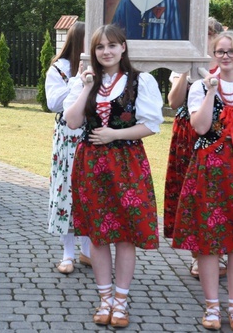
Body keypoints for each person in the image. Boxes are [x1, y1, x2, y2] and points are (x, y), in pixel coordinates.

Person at [171, 30, 233, 332]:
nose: (226, 56)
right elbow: (201, 128)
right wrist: (211, 91)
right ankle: (212, 307)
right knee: (208, 243)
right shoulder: (199, 88)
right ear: (213, 55)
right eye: (220, 51)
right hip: (208, 171)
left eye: (232, 51)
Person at [63, 24, 163, 328]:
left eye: (112, 45)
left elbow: (151, 125)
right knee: (98, 234)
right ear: (93, 52)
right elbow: (72, 121)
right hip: (91, 166)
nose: (106, 51)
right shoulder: (85, 82)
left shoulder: (140, 81)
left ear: (123, 48)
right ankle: (104, 299)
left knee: (125, 235)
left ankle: (121, 301)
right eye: (100, 47)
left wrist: (113, 135)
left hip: (127, 164)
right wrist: (86, 87)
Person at [164, 18, 233, 278]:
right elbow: (173, 102)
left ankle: (224, 249)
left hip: (224, 135)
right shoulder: (183, 64)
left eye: (204, 35)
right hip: (188, 132)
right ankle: (198, 255)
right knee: (191, 190)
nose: (199, 41)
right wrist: (186, 69)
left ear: (214, 37)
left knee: (224, 192)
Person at [44, 21, 92, 274]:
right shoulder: (60, 69)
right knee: (67, 190)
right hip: (68, 135)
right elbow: (53, 103)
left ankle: (88, 251)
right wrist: (77, 81)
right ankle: (68, 253)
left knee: (90, 191)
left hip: (93, 134)